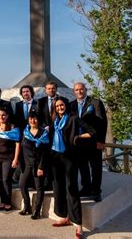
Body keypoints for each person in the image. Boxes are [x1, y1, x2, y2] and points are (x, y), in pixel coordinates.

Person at [49, 99, 83, 238]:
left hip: (69, 158)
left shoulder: (73, 118)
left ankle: (79, 225)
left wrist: (79, 137)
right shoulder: (55, 120)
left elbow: (91, 130)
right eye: (57, 106)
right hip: (56, 157)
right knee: (58, 188)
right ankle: (64, 216)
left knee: (72, 189)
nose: (59, 107)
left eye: (61, 105)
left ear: (66, 106)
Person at [70, 82, 108, 202]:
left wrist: (101, 141)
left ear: (86, 90)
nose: (79, 92)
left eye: (81, 89)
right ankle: (86, 188)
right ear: (74, 92)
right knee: (83, 166)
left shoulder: (95, 103)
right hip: (79, 142)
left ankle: (96, 191)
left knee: (96, 167)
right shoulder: (71, 105)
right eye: (76, 90)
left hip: (93, 141)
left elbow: (102, 122)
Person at [18, 111, 49, 219]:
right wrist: (20, 163)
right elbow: (22, 148)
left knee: (39, 187)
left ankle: (37, 210)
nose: (33, 121)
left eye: (35, 118)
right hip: (27, 164)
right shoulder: (25, 132)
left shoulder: (43, 133)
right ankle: (27, 206)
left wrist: (41, 167)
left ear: (38, 120)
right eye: (31, 119)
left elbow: (45, 153)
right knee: (22, 184)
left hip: (38, 165)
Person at [0, 106, 21, 211]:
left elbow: (17, 144)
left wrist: (15, 159)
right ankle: (2, 201)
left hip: (8, 157)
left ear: (7, 116)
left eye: (3, 115)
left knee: (5, 179)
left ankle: (8, 202)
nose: (1, 117)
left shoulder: (13, 127)